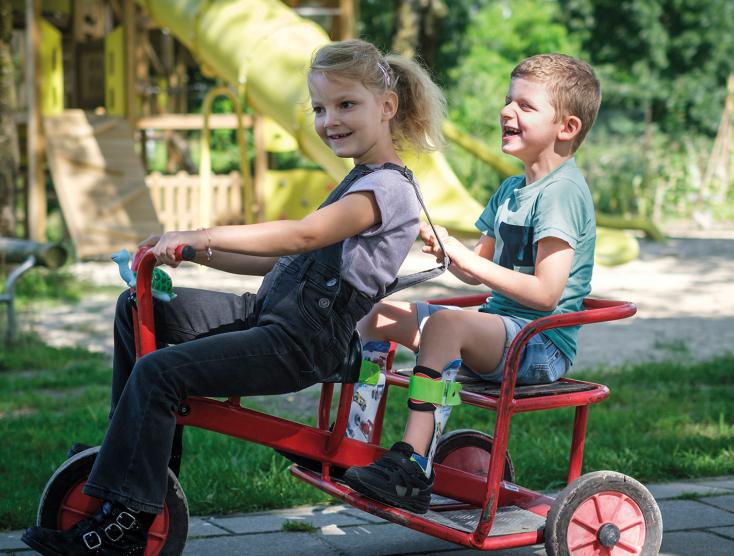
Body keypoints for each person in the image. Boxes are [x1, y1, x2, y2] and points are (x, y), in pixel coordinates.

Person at [22, 38, 446, 555]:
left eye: (346, 105)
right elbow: (276, 260)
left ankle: (127, 525)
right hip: (266, 316)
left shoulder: (388, 189)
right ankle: (136, 467)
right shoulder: (359, 180)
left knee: (160, 371)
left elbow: (302, 236)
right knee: (139, 308)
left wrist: (203, 233)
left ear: (387, 106)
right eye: (319, 108)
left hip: (300, 343)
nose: (329, 119)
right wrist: (188, 252)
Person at [344, 53, 602, 514]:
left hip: (539, 344)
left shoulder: (562, 193)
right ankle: (352, 440)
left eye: (525, 106)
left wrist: (465, 259)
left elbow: (547, 294)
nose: (507, 112)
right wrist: (447, 248)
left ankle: (412, 466)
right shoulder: (509, 191)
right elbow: (475, 270)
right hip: (499, 330)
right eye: (507, 101)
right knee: (376, 314)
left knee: (446, 326)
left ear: (567, 128)